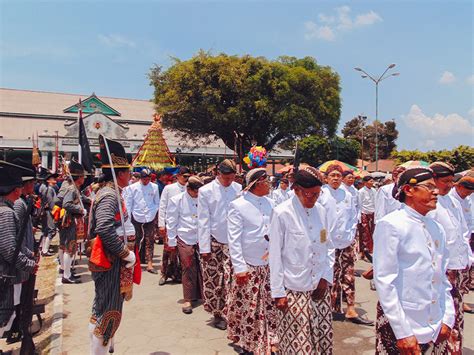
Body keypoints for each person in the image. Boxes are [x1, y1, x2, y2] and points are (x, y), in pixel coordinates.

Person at [373, 167, 454, 354]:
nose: (436, 192)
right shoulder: (392, 224)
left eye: (435, 187)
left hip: (436, 323)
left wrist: (448, 319)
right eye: (429, 187)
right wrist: (402, 333)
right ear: (409, 190)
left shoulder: (437, 228)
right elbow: (385, 282)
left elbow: (442, 278)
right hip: (404, 323)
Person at [269, 166, 333, 354]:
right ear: (296, 190)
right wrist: (278, 292)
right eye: (309, 194)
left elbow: (328, 246)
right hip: (294, 290)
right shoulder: (282, 213)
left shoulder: (321, 211)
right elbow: (275, 256)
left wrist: (325, 278)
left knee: (321, 341)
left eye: (317, 194)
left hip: (319, 287)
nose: (313, 198)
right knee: (297, 346)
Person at [88, 135, 137, 355]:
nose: (131, 175)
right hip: (111, 261)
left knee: (102, 308)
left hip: (115, 260)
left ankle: (103, 347)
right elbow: (104, 229)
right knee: (108, 311)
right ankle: (99, 349)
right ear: (120, 174)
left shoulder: (113, 192)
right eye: (128, 171)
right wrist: (125, 253)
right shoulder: (109, 195)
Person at [226, 168, 278, 354]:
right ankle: (247, 340)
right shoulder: (238, 205)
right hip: (248, 265)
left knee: (269, 304)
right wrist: (240, 268)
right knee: (249, 306)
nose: (270, 185)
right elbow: (234, 239)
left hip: (269, 263)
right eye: (267, 181)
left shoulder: (271, 203)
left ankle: (270, 337)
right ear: (256, 184)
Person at [319, 165, 369, 325]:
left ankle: (351, 309)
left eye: (338, 175)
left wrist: (351, 235)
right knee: (328, 277)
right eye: (332, 175)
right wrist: (322, 241)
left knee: (348, 276)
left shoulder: (347, 195)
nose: (335, 178)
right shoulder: (321, 194)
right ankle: (329, 308)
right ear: (326, 178)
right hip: (326, 244)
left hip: (345, 242)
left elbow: (353, 217)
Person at [429, 162, 471, 353]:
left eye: (451, 181)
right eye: (445, 181)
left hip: (456, 267)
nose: (449, 185)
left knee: (455, 315)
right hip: (438, 270)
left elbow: (462, 232)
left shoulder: (453, 202)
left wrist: (468, 259)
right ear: (434, 180)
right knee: (440, 317)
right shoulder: (429, 203)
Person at [198, 159, 241, 330]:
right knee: (215, 280)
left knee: (232, 279)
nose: (229, 181)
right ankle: (217, 314)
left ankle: (231, 312)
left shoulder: (238, 189)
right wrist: (204, 248)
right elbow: (203, 220)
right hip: (213, 242)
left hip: (233, 242)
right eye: (226, 178)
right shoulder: (205, 191)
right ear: (218, 174)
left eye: (232, 178)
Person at [0, 161, 37, 339]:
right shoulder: (6, 212)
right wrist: (29, 264)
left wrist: (28, 255)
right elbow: (9, 249)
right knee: (5, 314)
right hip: (5, 272)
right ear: (16, 190)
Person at [166, 176, 204, 314]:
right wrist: (171, 241)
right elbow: (171, 221)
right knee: (187, 266)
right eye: (195, 191)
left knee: (202, 266)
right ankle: (188, 299)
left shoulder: (203, 199)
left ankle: (202, 295)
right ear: (188, 189)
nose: (198, 194)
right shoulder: (177, 200)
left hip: (201, 237)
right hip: (184, 236)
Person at [157, 167, 190, 285]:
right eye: (184, 176)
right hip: (170, 224)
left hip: (184, 225)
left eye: (188, 176)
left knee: (181, 251)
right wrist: (161, 224)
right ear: (178, 176)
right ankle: (164, 274)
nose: (186, 179)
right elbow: (162, 206)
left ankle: (177, 274)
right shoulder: (169, 188)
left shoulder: (189, 188)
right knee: (168, 250)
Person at [56, 159, 87, 284]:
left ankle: (66, 270)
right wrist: (80, 209)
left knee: (65, 246)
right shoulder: (72, 189)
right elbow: (67, 204)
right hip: (70, 221)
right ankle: (67, 275)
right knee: (70, 247)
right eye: (83, 177)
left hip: (67, 220)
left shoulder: (72, 188)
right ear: (79, 178)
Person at [125, 168, 160, 274]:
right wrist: (128, 220)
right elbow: (128, 204)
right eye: (145, 179)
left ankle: (149, 264)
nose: (146, 181)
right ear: (141, 178)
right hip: (136, 216)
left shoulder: (154, 187)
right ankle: (135, 263)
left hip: (149, 217)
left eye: (148, 179)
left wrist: (153, 213)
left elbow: (156, 202)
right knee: (136, 240)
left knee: (150, 240)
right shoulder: (132, 188)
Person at [449, 172, 474, 313]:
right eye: (467, 190)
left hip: (465, 241)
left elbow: (468, 223)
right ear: (458, 186)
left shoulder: (467, 200)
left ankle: (460, 300)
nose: (469, 194)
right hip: (452, 246)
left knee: (463, 276)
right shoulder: (449, 199)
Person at [38, 170, 57, 256]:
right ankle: (45, 250)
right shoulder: (49, 189)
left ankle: (42, 247)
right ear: (48, 180)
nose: (55, 179)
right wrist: (54, 212)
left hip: (46, 211)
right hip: (49, 211)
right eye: (53, 178)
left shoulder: (48, 188)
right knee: (51, 230)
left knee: (46, 230)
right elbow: (51, 202)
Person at [358, 176, 376, 258]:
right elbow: (360, 204)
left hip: (372, 212)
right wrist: (360, 215)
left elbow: (375, 202)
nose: (372, 183)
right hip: (364, 212)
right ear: (365, 182)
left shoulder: (374, 190)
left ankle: (371, 249)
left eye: (373, 181)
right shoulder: (361, 191)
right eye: (370, 181)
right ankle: (363, 251)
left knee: (372, 232)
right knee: (365, 232)